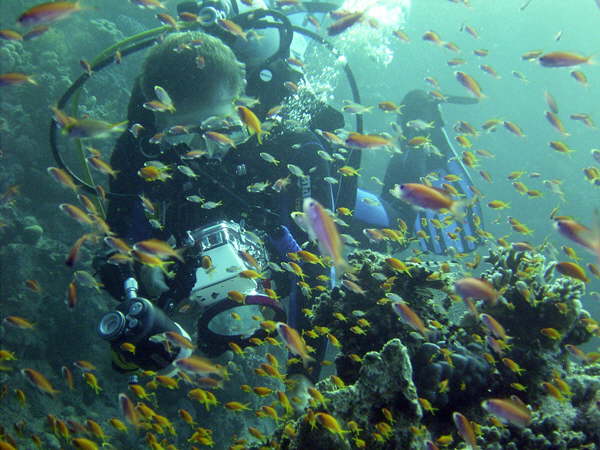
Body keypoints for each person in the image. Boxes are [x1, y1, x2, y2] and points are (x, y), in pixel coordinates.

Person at [93, 3, 347, 391]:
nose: (206, 149)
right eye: (182, 133)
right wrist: (141, 284)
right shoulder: (139, 149)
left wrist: (302, 370)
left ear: (242, 103)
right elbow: (115, 247)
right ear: (157, 118)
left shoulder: (289, 145)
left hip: (283, 216)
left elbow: (318, 266)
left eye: (219, 128)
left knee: (360, 227)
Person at [380, 89, 483, 255]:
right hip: (440, 176)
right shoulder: (432, 126)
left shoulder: (418, 130)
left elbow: (412, 171)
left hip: (433, 179)